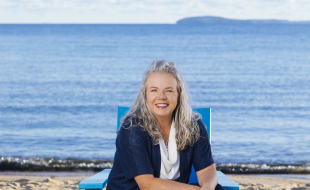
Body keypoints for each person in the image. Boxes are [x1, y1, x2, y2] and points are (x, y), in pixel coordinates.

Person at [107, 60, 224, 190]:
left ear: (179, 94)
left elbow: (207, 170)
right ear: (145, 95)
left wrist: (207, 187)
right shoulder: (132, 129)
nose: (161, 96)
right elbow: (147, 184)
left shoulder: (194, 126)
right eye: (154, 90)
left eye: (168, 90)